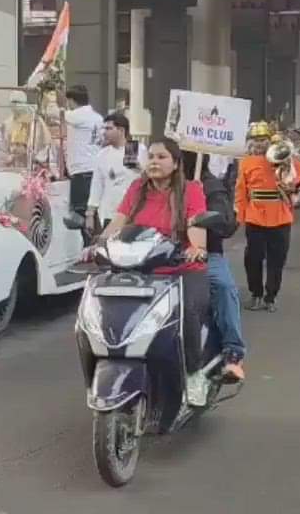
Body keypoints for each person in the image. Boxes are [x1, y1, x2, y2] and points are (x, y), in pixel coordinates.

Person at [100, 139, 211, 403]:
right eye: (150, 156)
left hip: (180, 267)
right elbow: (119, 221)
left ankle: (194, 375)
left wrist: (196, 247)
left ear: (175, 164)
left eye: (161, 157)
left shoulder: (191, 189)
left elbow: (196, 224)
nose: (154, 162)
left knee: (187, 313)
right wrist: (98, 243)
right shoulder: (138, 187)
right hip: (139, 267)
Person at [184, 150, 247, 381]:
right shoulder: (152, 188)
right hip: (160, 256)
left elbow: (227, 225)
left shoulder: (209, 187)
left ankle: (233, 353)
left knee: (223, 287)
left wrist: (206, 212)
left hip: (206, 255)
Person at [235, 122, 300, 313]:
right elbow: (241, 191)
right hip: (255, 215)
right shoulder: (246, 162)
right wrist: (241, 216)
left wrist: (292, 179)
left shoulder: (283, 156)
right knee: (253, 258)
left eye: (263, 140)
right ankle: (255, 294)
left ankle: (271, 296)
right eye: (256, 140)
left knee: (277, 259)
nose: (259, 144)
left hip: (280, 215)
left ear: (269, 140)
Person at [86, 112, 144, 231]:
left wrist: (139, 168)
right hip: (109, 213)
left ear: (121, 130)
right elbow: (97, 185)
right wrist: (90, 213)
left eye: (109, 128)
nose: (104, 132)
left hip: (133, 213)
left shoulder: (135, 148)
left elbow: (147, 177)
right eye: (104, 128)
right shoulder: (102, 154)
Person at [62, 84, 103, 226]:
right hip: (91, 168)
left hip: (82, 171)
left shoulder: (78, 116)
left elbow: (58, 114)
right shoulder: (97, 117)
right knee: (89, 212)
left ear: (71, 100)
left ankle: (89, 244)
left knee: (82, 213)